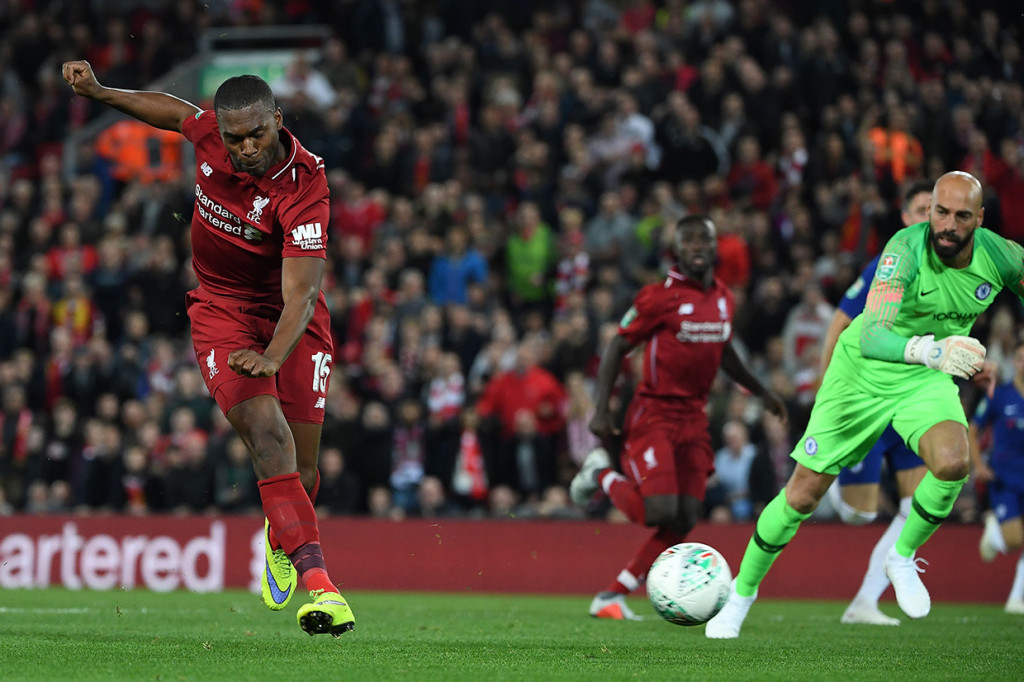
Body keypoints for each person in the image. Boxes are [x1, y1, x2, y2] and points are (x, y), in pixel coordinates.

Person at [62, 61, 354, 637]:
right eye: (233, 138)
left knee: (303, 467)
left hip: (291, 319)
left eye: (256, 135)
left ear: (277, 119)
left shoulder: (305, 184)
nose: (245, 148)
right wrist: (99, 92)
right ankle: (321, 586)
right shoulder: (209, 137)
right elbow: (171, 110)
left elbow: (303, 293)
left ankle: (280, 529)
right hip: (221, 310)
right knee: (269, 435)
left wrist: (272, 355)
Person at [707, 171, 1022, 639]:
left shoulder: (1002, 257)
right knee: (801, 496)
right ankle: (740, 595)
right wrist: (936, 352)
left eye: (960, 216)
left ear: (979, 218)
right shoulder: (903, 250)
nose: (947, 225)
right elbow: (873, 334)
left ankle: (901, 556)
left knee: (954, 463)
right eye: (939, 212)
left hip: (921, 379)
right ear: (929, 210)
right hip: (862, 374)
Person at [570, 214, 787, 620]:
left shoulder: (723, 297)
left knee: (685, 517)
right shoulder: (657, 298)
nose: (697, 248)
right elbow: (617, 347)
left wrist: (761, 391)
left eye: (703, 240)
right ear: (677, 250)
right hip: (654, 414)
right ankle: (600, 471)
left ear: (714, 246)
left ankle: (612, 595)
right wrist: (601, 409)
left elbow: (723, 351)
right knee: (658, 510)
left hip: (694, 418)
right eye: (687, 242)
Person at [819, 179, 933, 626]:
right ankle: (829, 479)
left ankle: (865, 601)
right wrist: (830, 392)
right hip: (869, 400)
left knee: (916, 506)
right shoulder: (886, 265)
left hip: (914, 400)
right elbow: (840, 323)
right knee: (858, 514)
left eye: (936, 210)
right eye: (922, 209)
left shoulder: (954, 271)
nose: (930, 217)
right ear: (906, 219)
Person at [972, 340, 1024, 614]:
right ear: (1014, 362)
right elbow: (973, 429)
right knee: (1015, 541)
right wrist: (978, 464)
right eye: (1020, 358)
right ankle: (994, 533)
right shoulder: (999, 395)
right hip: (1005, 478)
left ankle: (1016, 599)